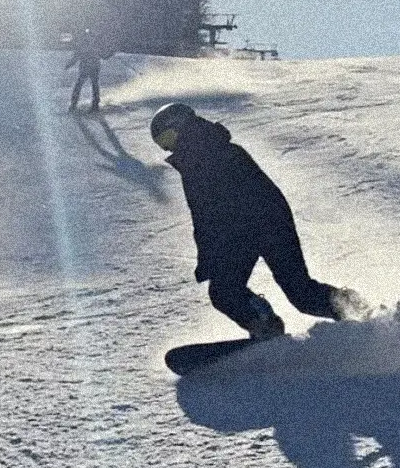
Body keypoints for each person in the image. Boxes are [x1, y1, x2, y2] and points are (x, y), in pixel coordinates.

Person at [150, 101, 364, 337]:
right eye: (163, 145)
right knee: (224, 292)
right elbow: (204, 216)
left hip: (266, 226)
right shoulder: (200, 160)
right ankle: (264, 323)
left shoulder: (215, 154)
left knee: (298, 294)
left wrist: (219, 251)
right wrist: (211, 257)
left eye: (168, 138)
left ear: (183, 128)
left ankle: (358, 311)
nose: (169, 148)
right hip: (246, 231)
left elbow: (217, 211)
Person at [66, 28, 106, 113]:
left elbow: (76, 56)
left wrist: (69, 64)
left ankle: (75, 104)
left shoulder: (85, 45)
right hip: (90, 66)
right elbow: (103, 55)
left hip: (90, 66)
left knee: (84, 84)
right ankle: (93, 104)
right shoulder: (92, 45)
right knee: (91, 84)